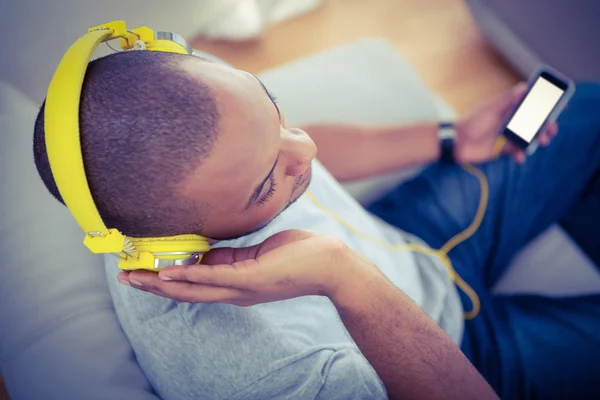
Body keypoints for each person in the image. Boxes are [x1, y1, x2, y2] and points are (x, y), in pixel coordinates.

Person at [32, 49, 600, 399]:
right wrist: (343, 275)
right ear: (181, 245)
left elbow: (290, 149)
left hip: (411, 238)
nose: (305, 147)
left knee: (588, 109)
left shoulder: (203, 102)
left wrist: (450, 137)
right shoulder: (253, 377)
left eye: (275, 110)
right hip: (458, 354)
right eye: (265, 184)